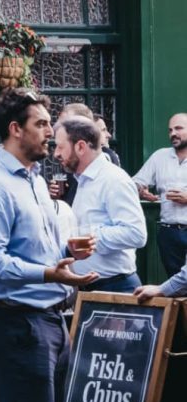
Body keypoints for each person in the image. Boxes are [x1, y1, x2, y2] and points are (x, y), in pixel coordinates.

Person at [0, 89, 98, 402]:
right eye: (40, 124)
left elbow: (32, 246)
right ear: (15, 129)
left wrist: (65, 254)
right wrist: (48, 273)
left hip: (52, 319)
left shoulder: (35, 180)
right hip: (19, 325)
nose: (50, 132)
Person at [53, 116, 146, 293]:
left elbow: (136, 234)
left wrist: (91, 238)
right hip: (88, 288)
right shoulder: (81, 179)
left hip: (114, 288)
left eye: (60, 146)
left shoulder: (114, 179)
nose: (56, 153)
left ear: (80, 146)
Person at [133, 113, 187, 277]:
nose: (173, 134)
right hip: (169, 232)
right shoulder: (160, 156)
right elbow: (135, 182)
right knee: (175, 286)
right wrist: (140, 189)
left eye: (178, 128)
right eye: (170, 130)